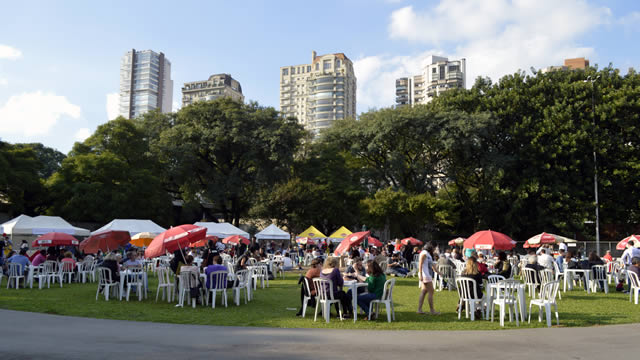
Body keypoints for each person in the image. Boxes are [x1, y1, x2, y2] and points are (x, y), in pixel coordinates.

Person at [417, 243, 440, 315]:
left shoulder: (428, 254)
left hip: (426, 275)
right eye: (433, 248)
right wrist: (420, 275)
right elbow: (420, 264)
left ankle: (419, 310)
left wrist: (439, 273)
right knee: (431, 291)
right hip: (425, 275)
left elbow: (433, 266)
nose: (434, 249)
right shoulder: (424, 254)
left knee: (424, 292)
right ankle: (432, 311)